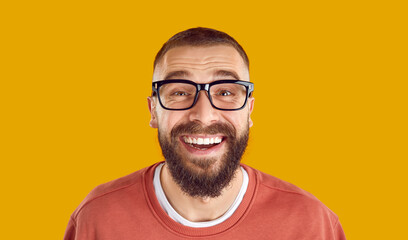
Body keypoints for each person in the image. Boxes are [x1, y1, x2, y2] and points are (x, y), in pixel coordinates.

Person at [64, 27, 346, 239]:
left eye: (225, 92)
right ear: (153, 111)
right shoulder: (98, 218)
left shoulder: (311, 223)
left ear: (248, 110)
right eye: (179, 92)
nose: (203, 114)